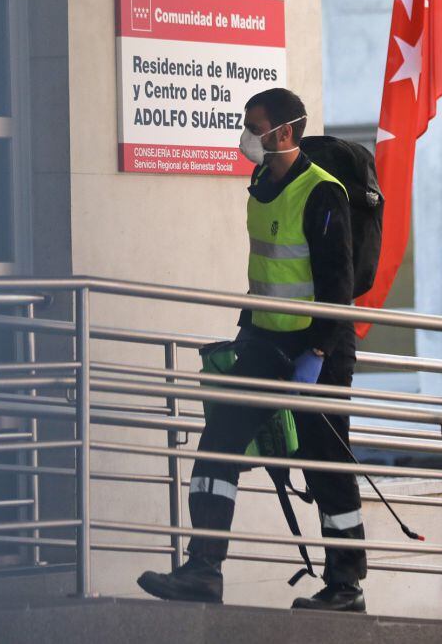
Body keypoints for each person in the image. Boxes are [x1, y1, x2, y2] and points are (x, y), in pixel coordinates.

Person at [137, 88, 367, 612]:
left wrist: (317, 354)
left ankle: (346, 585)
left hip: (318, 347)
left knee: (325, 461)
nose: (246, 135)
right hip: (265, 340)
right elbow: (267, 273)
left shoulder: (322, 192)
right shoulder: (262, 184)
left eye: (253, 125)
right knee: (220, 441)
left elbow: (339, 285)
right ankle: (203, 569)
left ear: (283, 132)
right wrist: (246, 331)